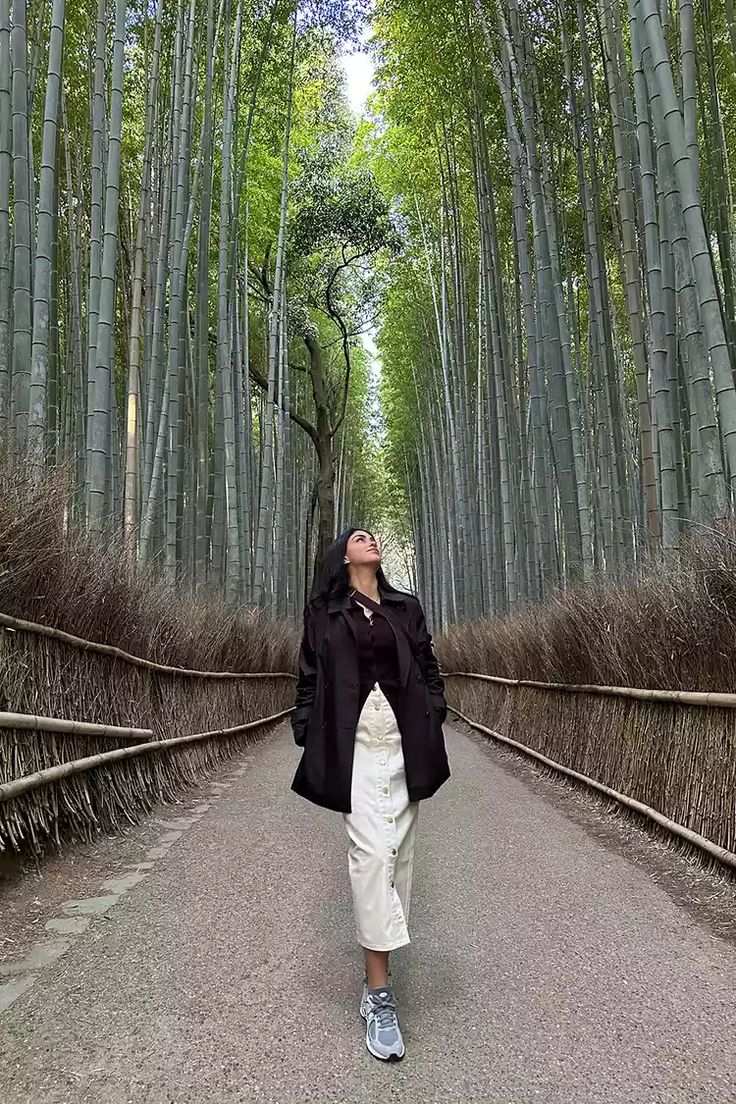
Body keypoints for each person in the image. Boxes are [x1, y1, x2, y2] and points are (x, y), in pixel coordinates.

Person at [290, 527, 451, 1062]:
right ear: (342, 556)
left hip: (405, 738)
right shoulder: (325, 613)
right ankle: (379, 996)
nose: (369, 538)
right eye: (358, 537)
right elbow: (309, 675)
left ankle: (376, 973)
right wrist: (305, 726)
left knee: (399, 855)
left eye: (372, 535)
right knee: (371, 853)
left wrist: (435, 712)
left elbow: (428, 663)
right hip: (351, 742)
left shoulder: (405, 606)